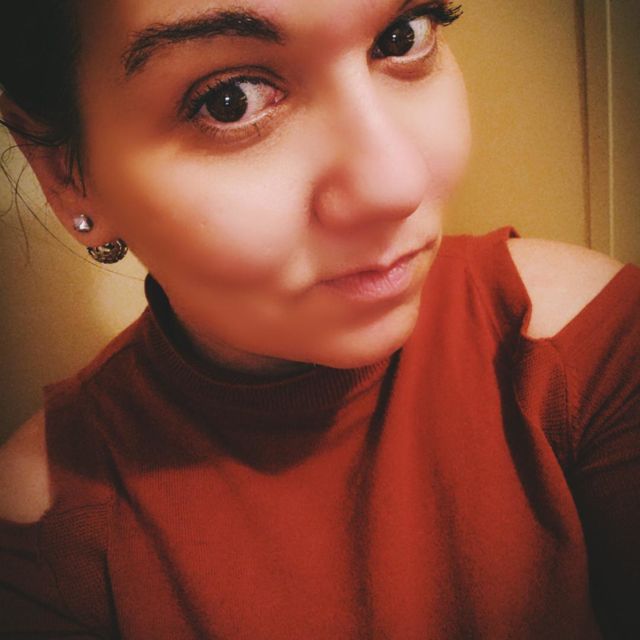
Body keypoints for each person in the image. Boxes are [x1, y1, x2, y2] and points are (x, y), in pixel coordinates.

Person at [0, 1, 638, 638]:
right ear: (66, 175)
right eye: (231, 100)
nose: (396, 184)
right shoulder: (49, 523)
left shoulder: (576, 341)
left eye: (401, 37)